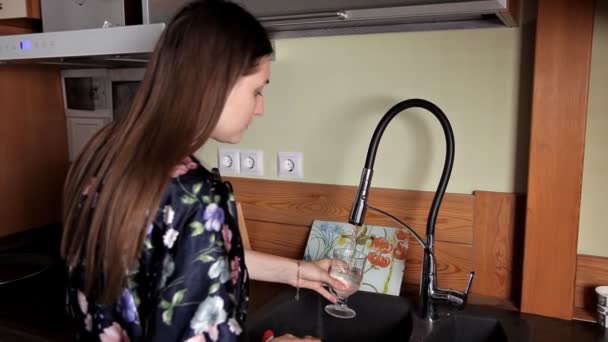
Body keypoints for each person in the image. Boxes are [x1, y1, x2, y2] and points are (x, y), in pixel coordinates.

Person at [60, 1, 345, 341]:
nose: (260, 109)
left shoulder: (107, 155)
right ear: (218, 82)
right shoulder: (193, 193)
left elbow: (186, 260)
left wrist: (298, 272)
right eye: (257, 90)